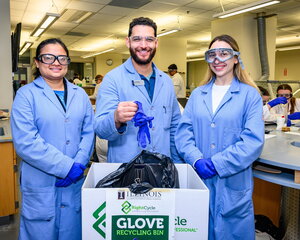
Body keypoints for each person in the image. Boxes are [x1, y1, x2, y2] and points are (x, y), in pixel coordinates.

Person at [175, 35, 264, 239]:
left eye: (224, 53)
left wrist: (217, 164)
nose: (217, 59)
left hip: (233, 181)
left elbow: (252, 142)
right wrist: (196, 159)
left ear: (235, 59)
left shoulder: (249, 95)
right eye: (212, 54)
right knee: (198, 229)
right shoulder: (198, 94)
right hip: (200, 178)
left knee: (232, 231)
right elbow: (183, 134)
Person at [10, 38, 94, 240]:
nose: (56, 62)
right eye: (48, 57)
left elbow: (88, 132)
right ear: (37, 63)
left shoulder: (80, 94)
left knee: (72, 231)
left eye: (62, 58)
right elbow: (26, 142)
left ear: (67, 62)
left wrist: (79, 164)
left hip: (75, 178)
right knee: (40, 232)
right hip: (41, 181)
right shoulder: (26, 95)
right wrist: (66, 167)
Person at [94, 17, 182, 163]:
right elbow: (101, 131)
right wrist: (116, 118)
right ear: (128, 42)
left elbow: (175, 128)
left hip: (162, 167)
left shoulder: (166, 81)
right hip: (125, 169)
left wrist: (177, 165)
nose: (143, 45)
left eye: (149, 39)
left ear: (156, 43)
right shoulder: (112, 79)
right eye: (137, 39)